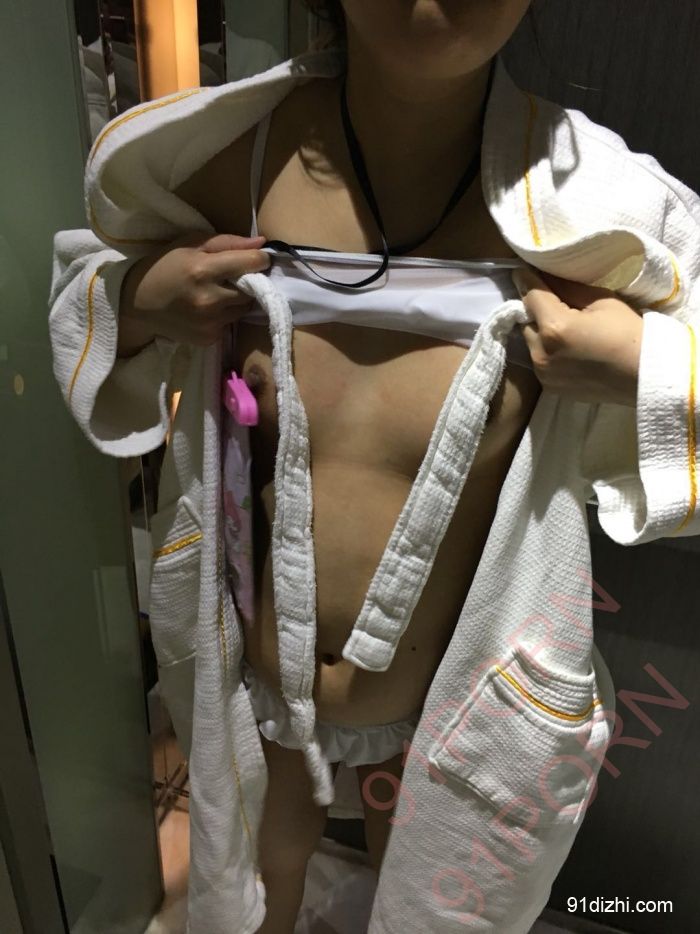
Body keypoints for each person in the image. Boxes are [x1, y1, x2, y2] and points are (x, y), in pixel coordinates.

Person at [49, 1, 700, 932]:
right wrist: (141, 299)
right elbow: (84, 284)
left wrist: (643, 366)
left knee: (427, 896)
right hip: (265, 687)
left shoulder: (605, 219)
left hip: (449, 700)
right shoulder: (221, 161)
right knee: (260, 870)